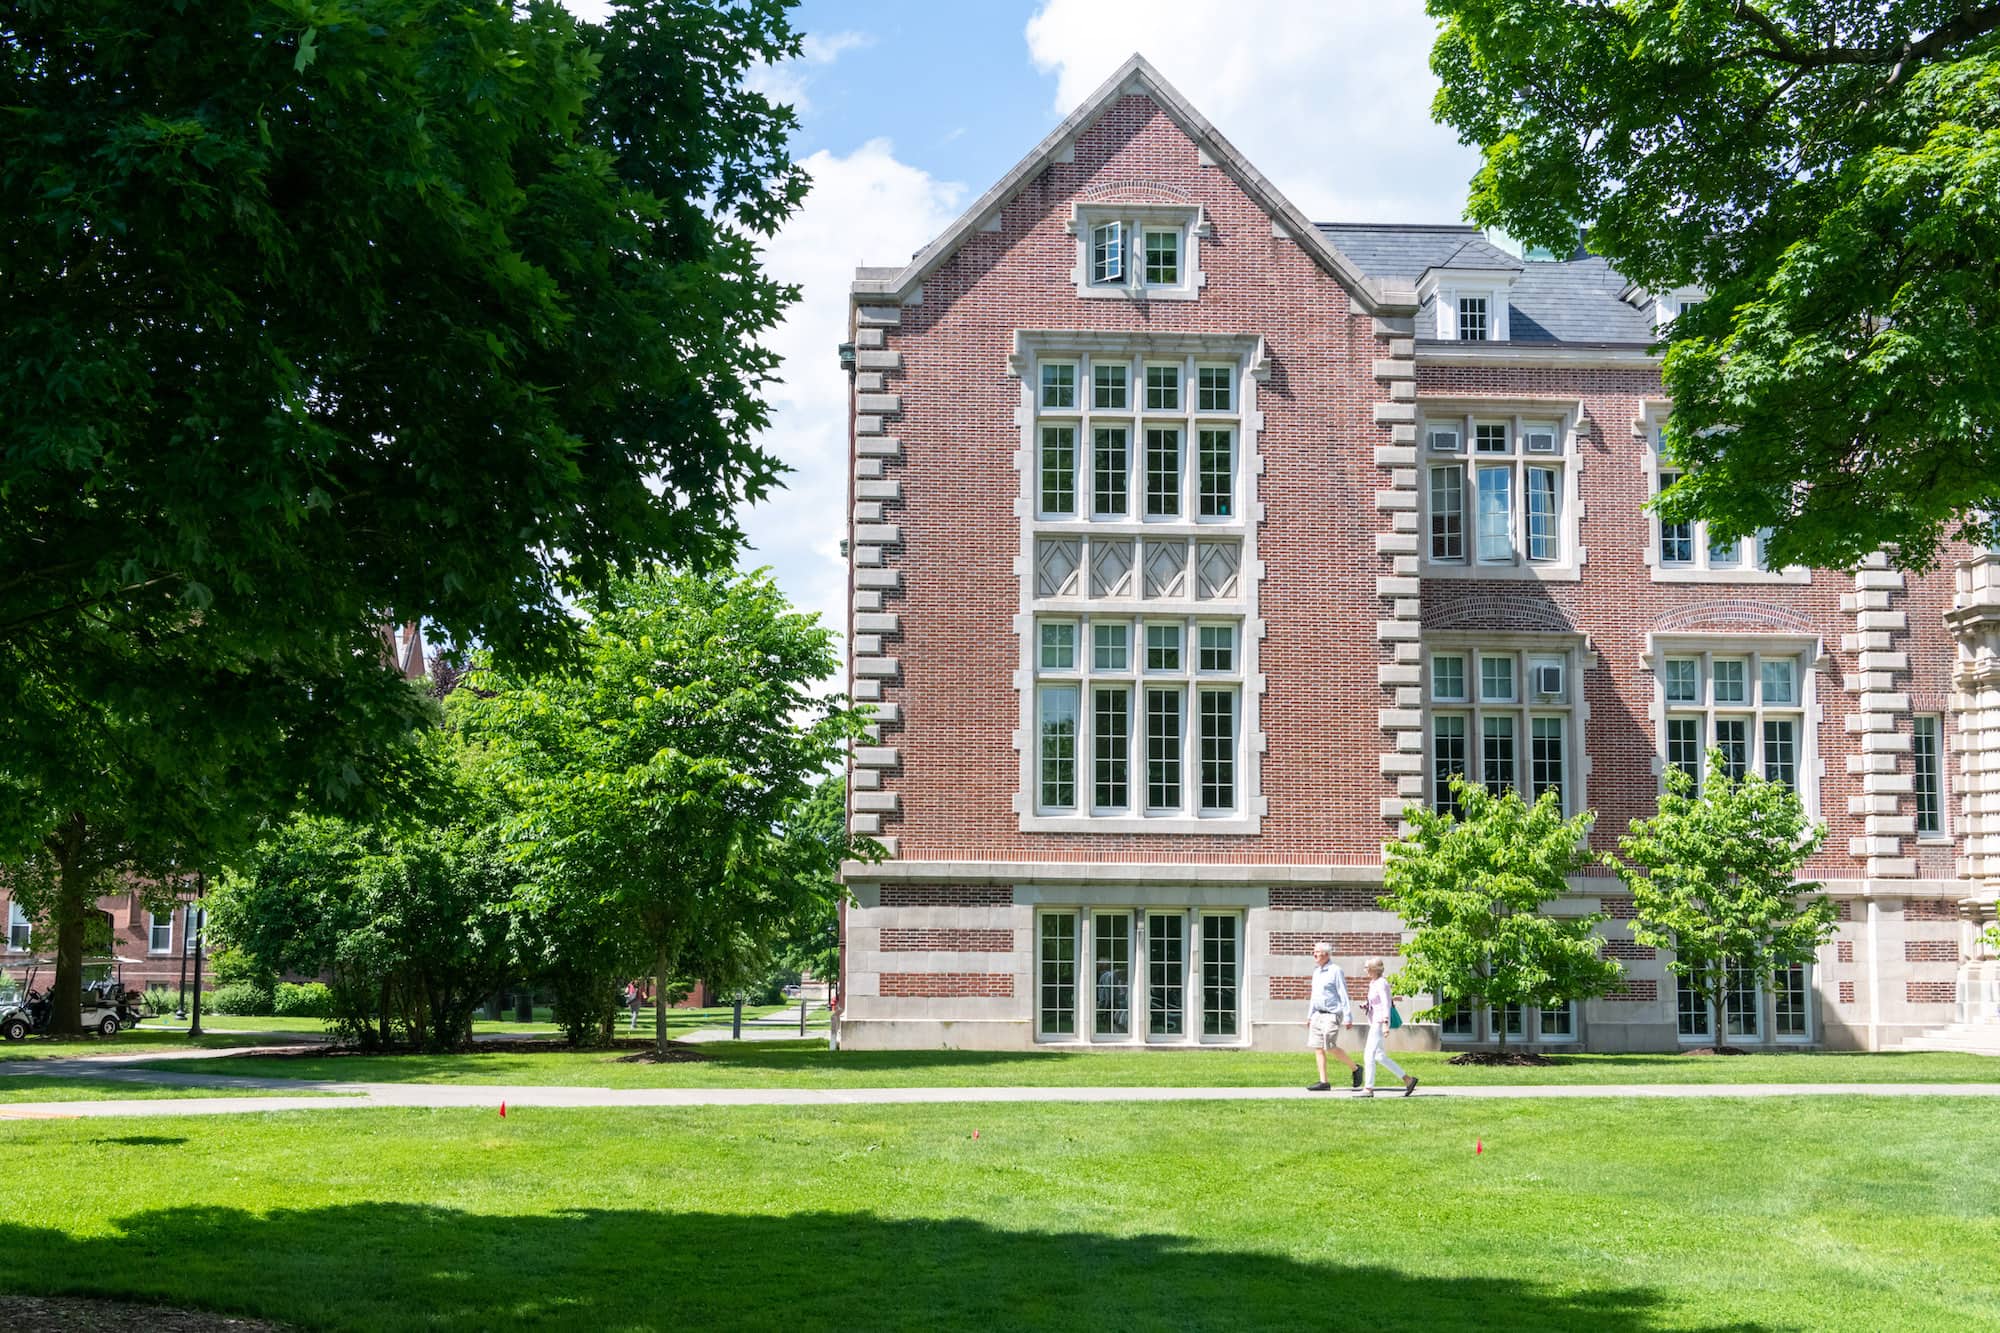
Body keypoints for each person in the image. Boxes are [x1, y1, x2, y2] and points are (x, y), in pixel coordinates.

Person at [1303, 942, 1361, 1091]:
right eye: (1314, 951)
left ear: (1326, 955)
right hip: (1317, 1014)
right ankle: (1324, 1082)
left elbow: (1343, 993)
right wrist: (1310, 1016)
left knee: (1329, 1046)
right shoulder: (1316, 972)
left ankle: (1355, 1068)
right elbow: (1314, 996)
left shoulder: (1336, 971)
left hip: (1332, 1014)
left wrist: (1348, 1016)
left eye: (1317, 952)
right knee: (1318, 1047)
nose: (1314, 954)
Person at [1359, 956, 1418, 1098]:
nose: (1365, 970)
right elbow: (1377, 1001)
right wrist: (1367, 1005)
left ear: (1374, 969)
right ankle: (1408, 1080)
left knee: (1369, 1055)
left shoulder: (1382, 983)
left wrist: (1385, 1023)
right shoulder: (1373, 983)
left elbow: (1385, 1004)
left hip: (1380, 1022)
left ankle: (1368, 1088)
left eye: (1367, 968)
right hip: (1374, 1021)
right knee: (1379, 1056)